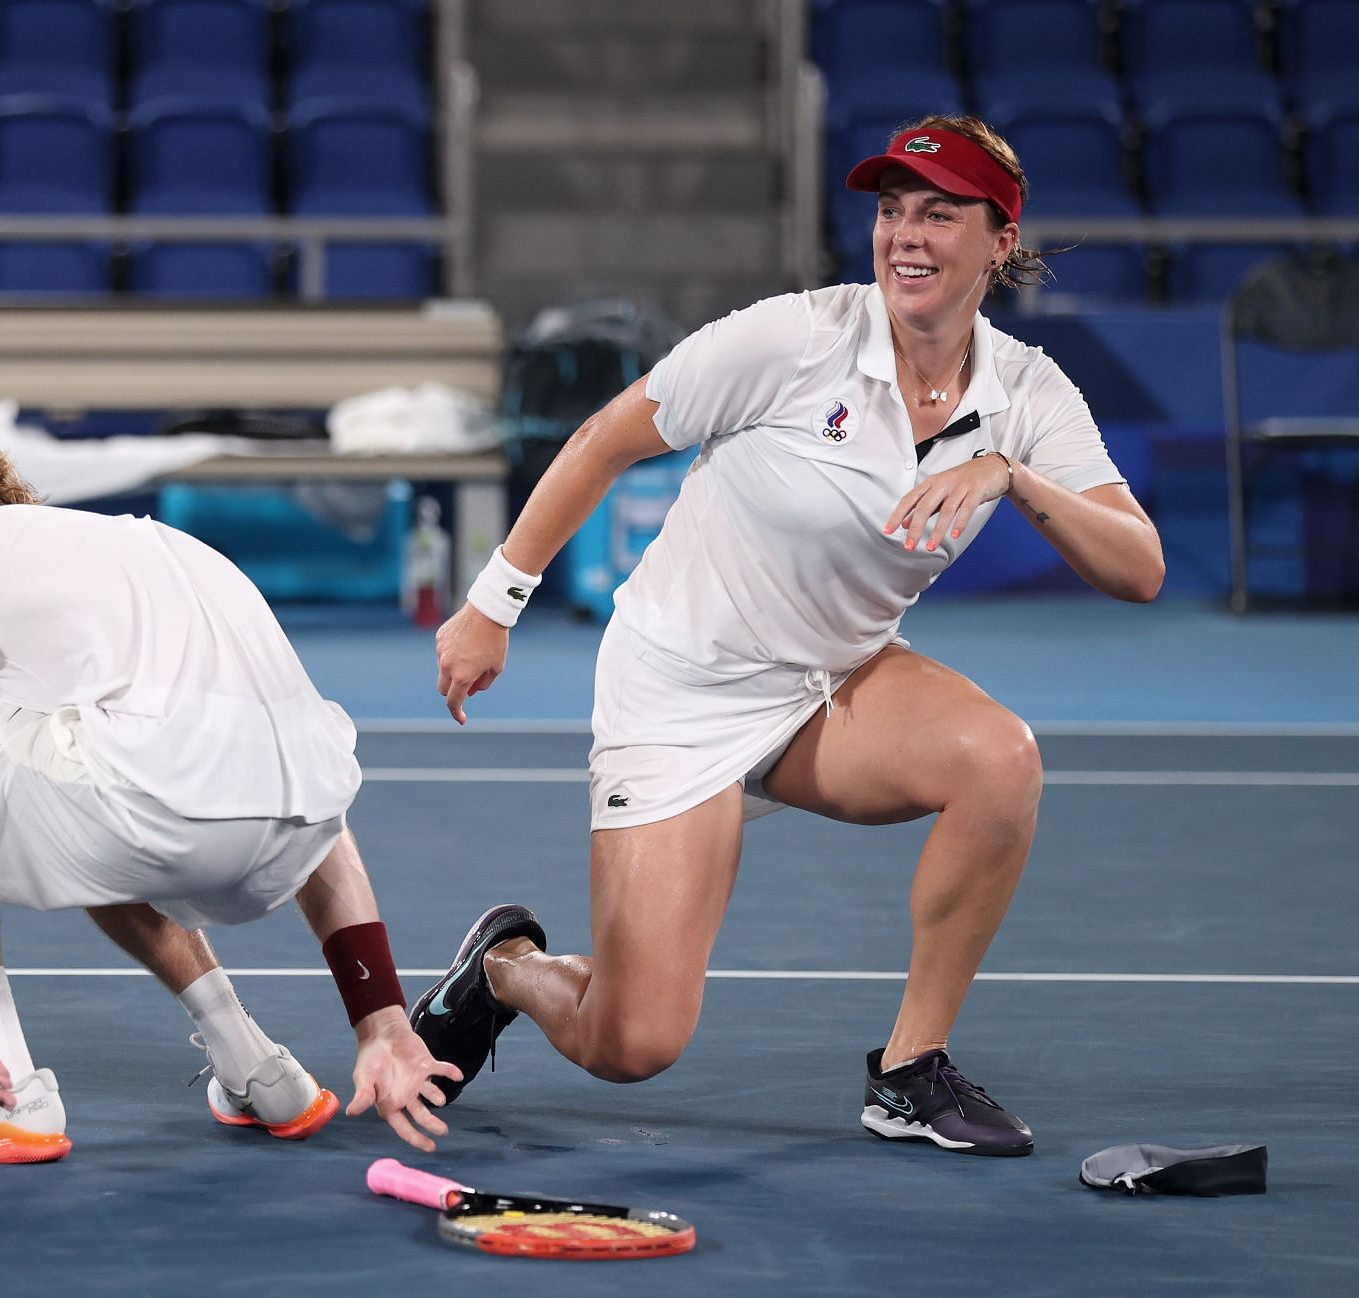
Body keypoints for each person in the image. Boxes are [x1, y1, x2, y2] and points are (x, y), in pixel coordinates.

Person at [418, 115, 1165, 1157]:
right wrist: (492, 604)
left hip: (832, 684)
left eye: (938, 213)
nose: (905, 234)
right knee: (634, 1041)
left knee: (1001, 759)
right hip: (680, 688)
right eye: (891, 210)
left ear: (999, 240)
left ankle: (909, 1071)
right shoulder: (796, 338)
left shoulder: (1026, 392)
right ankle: (505, 967)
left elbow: (1138, 566)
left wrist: (1013, 474)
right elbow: (604, 439)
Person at [0, 423, 459, 1161]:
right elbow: (316, 796)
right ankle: (252, 1061)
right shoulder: (154, 556)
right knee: (63, 775)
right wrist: (380, 1018)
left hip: (145, 804)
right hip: (284, 836)